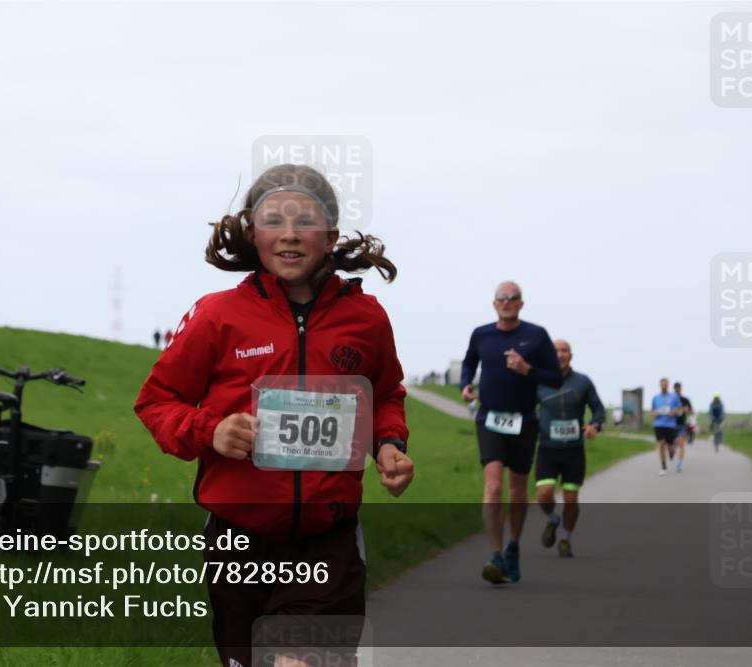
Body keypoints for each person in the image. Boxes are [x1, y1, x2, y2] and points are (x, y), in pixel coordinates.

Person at [134, 164, 414, 667]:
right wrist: (211, 430)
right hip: (238, 541)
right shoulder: (217, 315)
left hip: (327, 541)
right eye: (274, 221)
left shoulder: (366, 319)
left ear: (329, 237)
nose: (288, 234)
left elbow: (386, 393)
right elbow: (157, 401)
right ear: (252, 232)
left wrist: (390, 444)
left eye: (304, 221)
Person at [461, 281, 562, 584]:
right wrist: (465, 384)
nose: (506, 302)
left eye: (512, 298)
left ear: (521, 303)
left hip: (524, 422)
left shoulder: (536, 335)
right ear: (494, 304)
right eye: (501, 298)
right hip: (489, 419)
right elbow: (469, 363)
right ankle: (495, 554)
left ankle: (513, 547)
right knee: (493, 487)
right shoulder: (482, 334)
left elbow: (555, 378)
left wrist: (527, 369)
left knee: (518, 490)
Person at [535, 339, 604, 558]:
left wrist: (595, 425)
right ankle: (551, 519)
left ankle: (565, 538)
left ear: (571, 355)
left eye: (564, 351)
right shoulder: (539, 382)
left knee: (571, 497)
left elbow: (599, 410)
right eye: (555, 351)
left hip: (574, 449)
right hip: (547, 447)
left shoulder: (583, 382)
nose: (560, 355)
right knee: (544, 493)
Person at [651, 378, 682, 476]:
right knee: (661, 444)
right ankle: (663, 466)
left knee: (670, 447)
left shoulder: (674, 397)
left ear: (668, 385)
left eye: (665, 384)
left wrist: (674, 412)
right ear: (660, 385)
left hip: (670, 425)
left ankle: (672, 452)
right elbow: (652, 412)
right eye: (662, 384)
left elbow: (680, 410)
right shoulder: (656, 397)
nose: (663, 386)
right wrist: (655, 413)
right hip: (659, 424)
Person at [673, 381, 692, 473]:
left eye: (678, 388)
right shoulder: (670, 399)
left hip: (682, 425)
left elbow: (690, 410)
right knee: (672, 445)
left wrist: (686, 409)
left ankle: (679, 463)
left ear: (681, 388)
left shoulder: (685, 400)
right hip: (671, 425)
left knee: (681, 445)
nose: (677, 389)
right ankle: (673, 451)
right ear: (674, 389)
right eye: (676, 388)